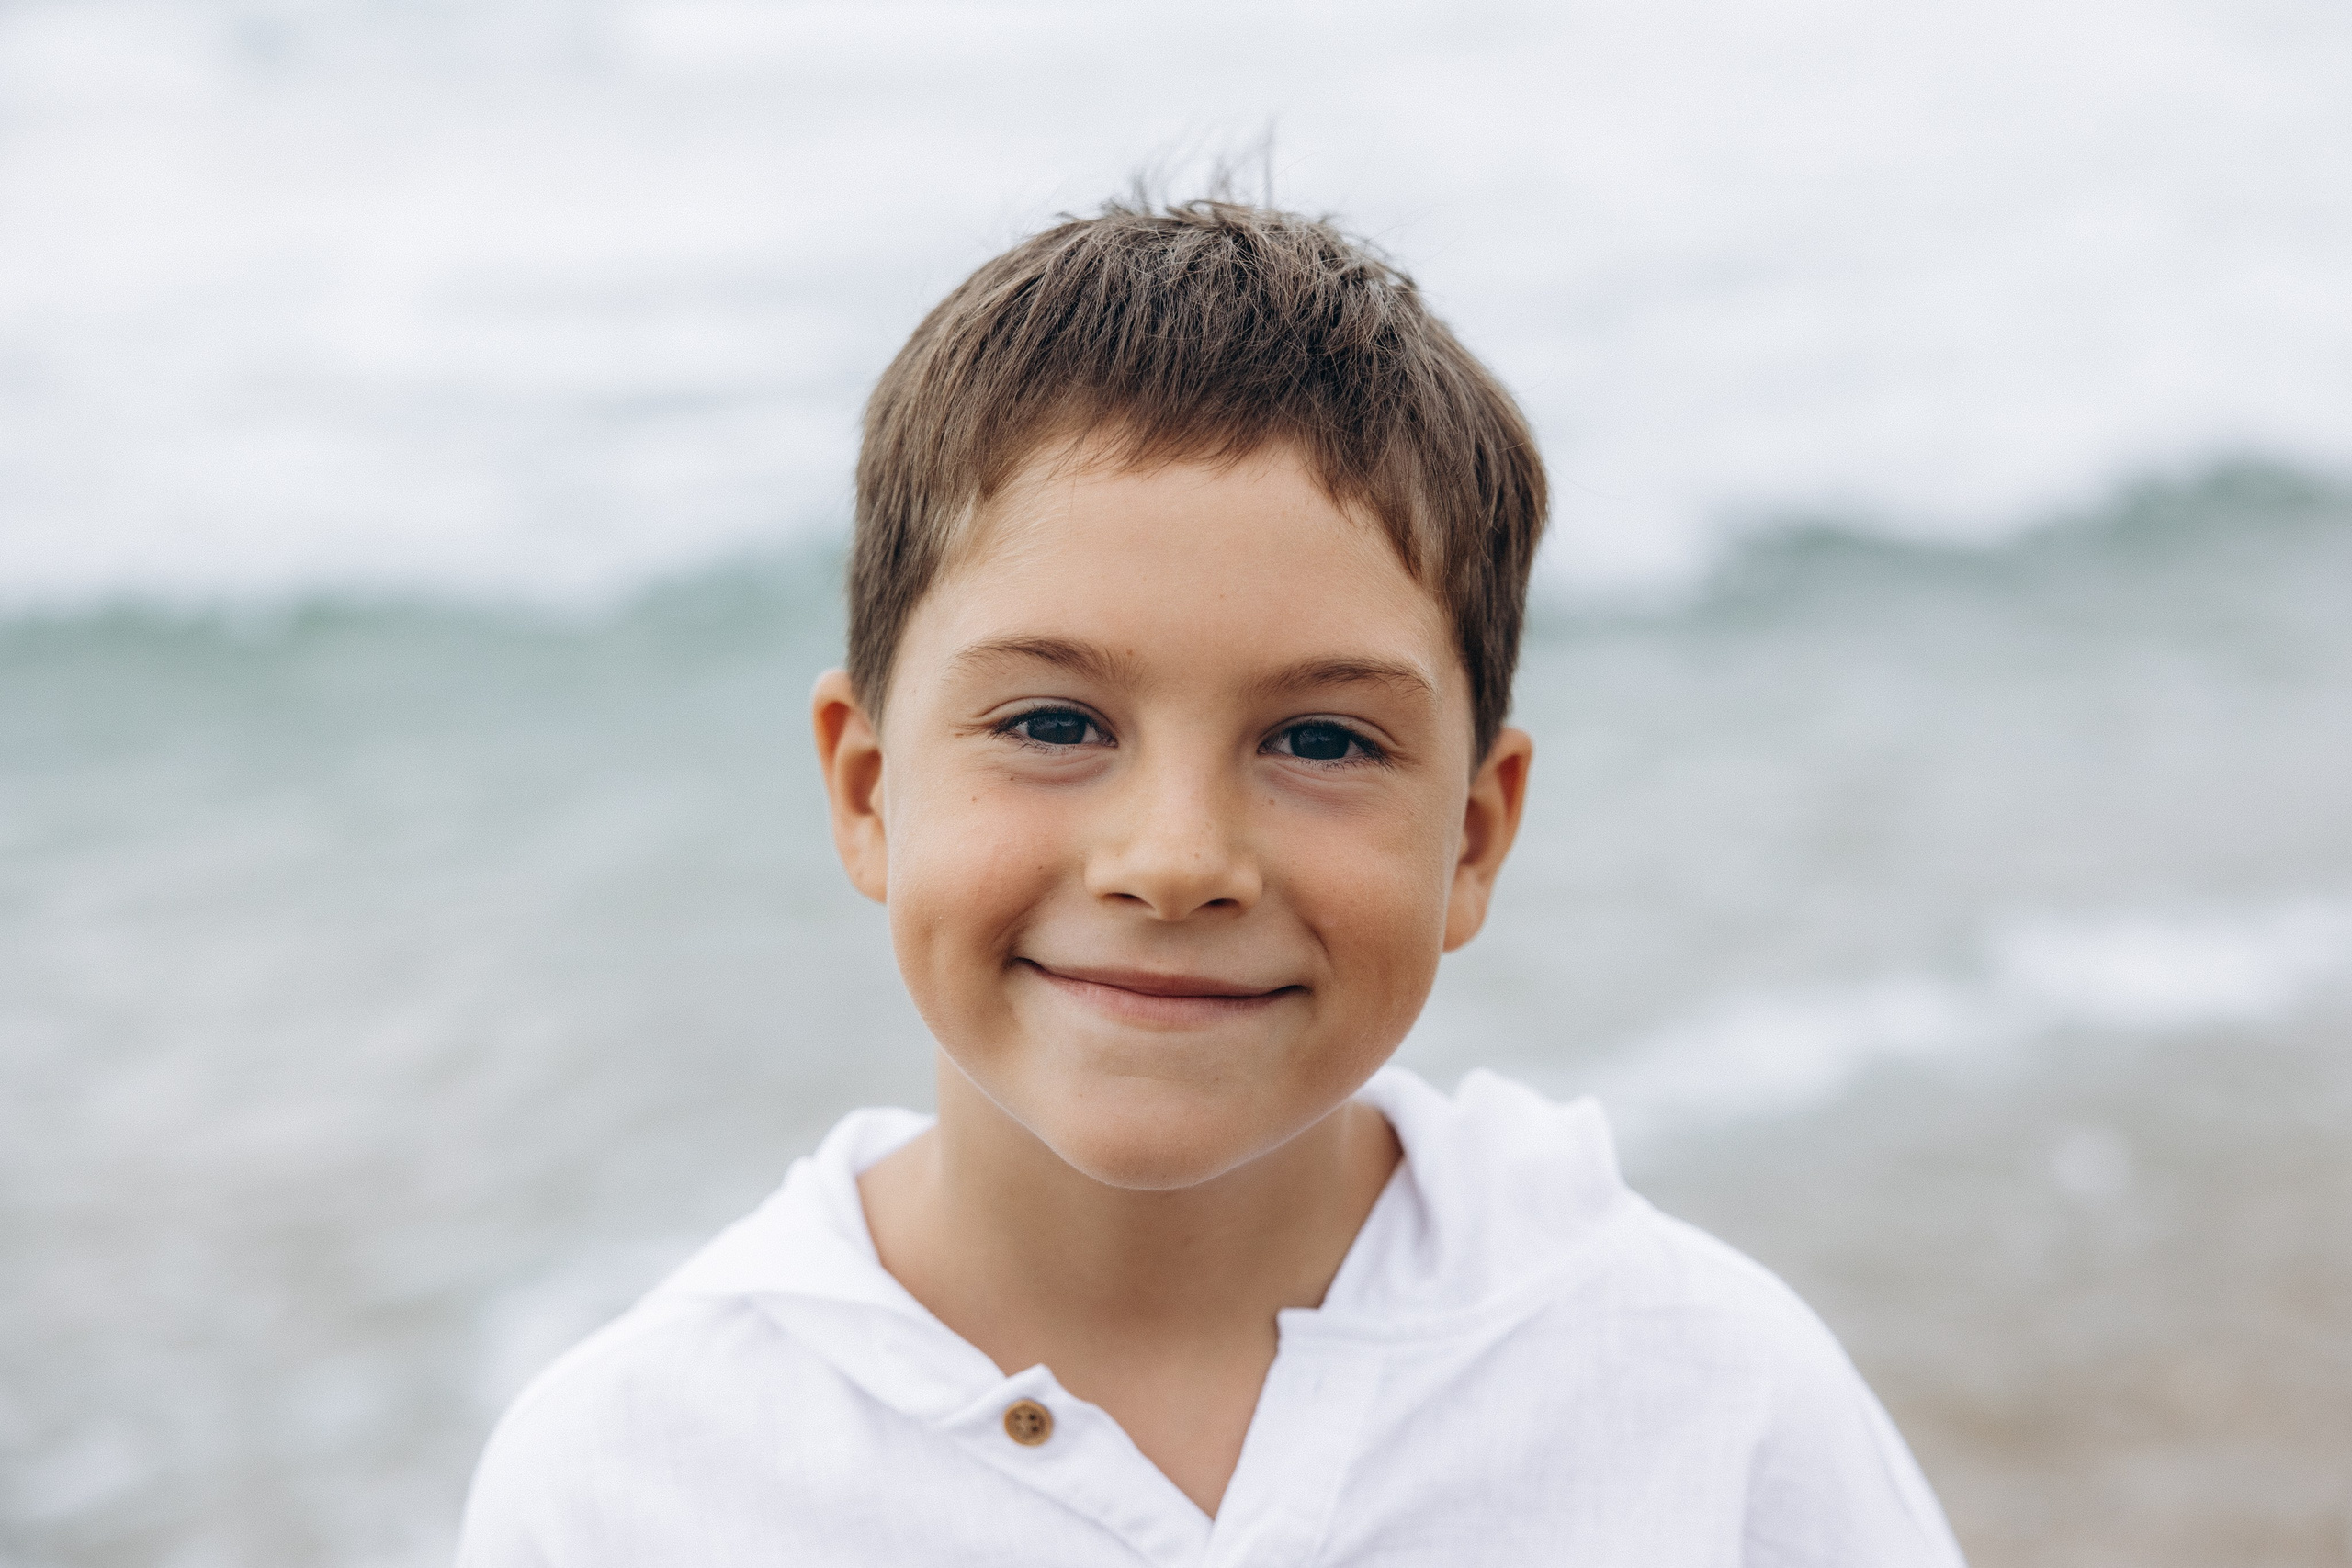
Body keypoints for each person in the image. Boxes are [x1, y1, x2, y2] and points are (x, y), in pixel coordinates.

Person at [457, 198, 1966, 1565]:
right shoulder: (631, 1482)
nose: (1177, 861)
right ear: (866, 787)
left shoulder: (1704, 1400)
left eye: (1321, 738)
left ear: (1472, 837)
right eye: (1054, 724)